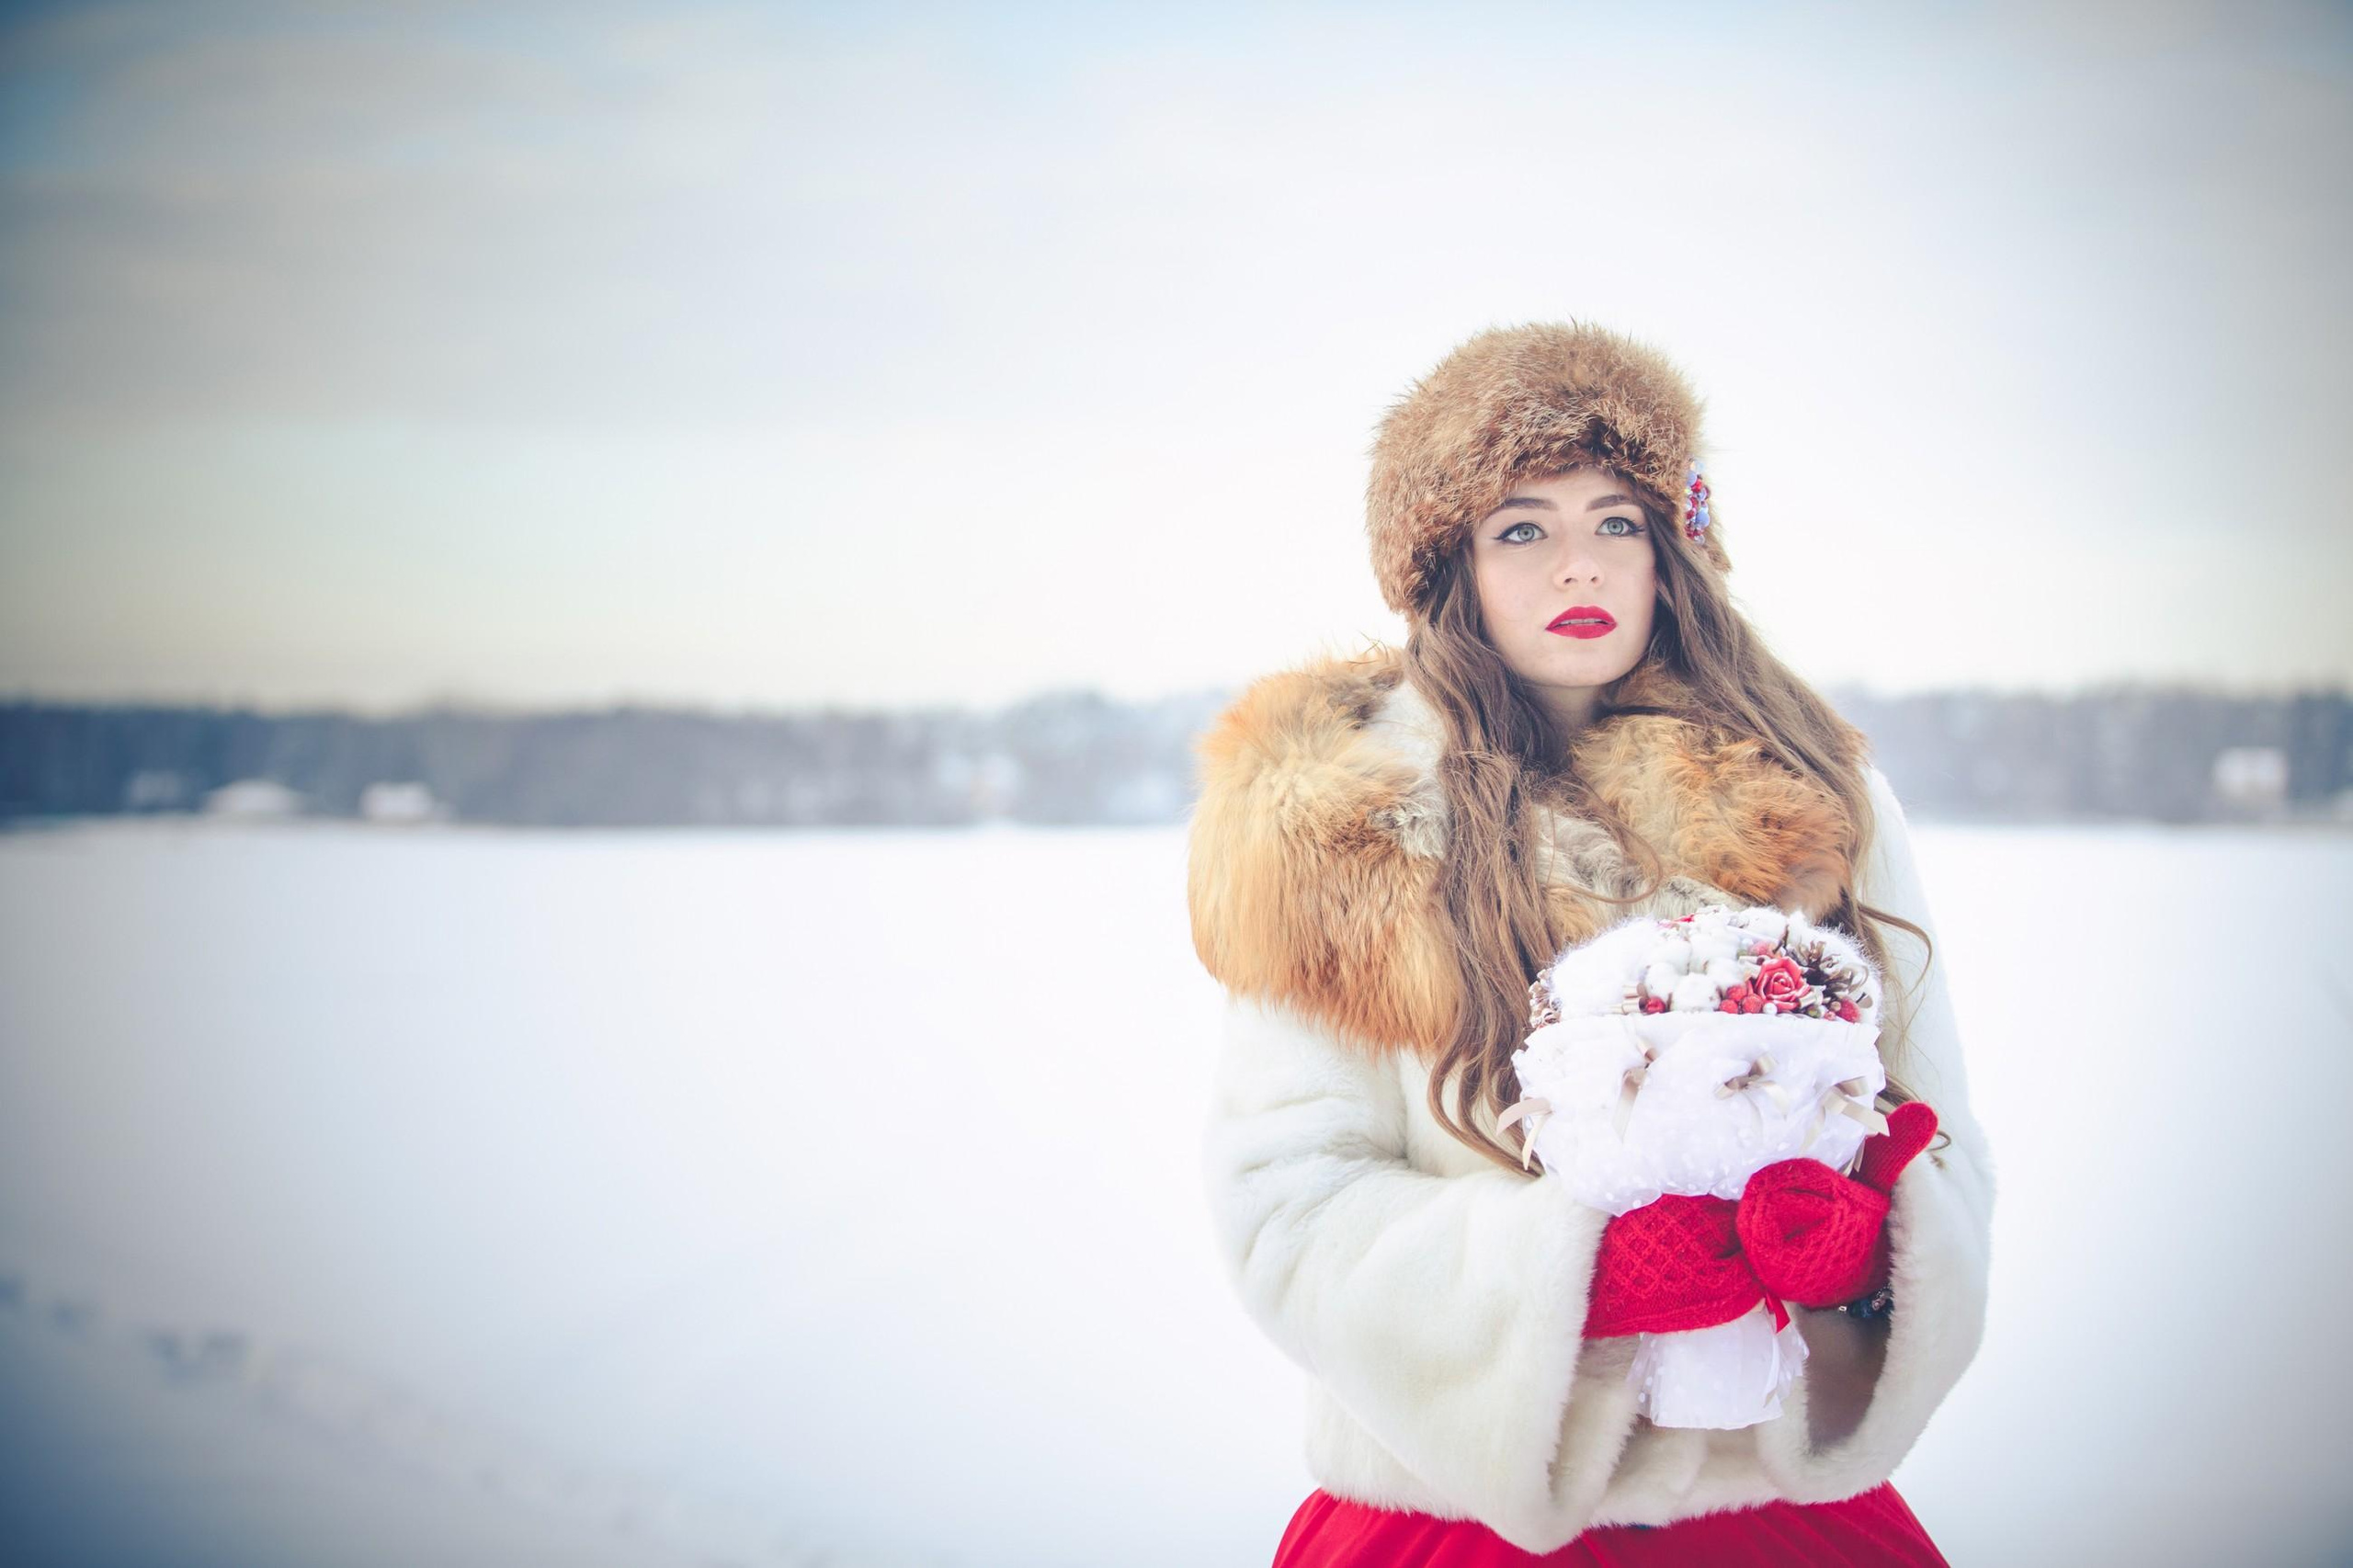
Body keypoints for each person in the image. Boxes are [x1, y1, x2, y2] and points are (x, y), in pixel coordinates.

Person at [1186, 322, 1995, 1565]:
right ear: (1451, 566)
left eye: (1616, 519)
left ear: (1674, 548)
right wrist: (1573, 1281)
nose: (1580, 566)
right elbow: (1285, 1202)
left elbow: (1939, 1138)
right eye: (1523, 527)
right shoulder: (1331, 828)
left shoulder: (1820, 795)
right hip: (1466, 1522)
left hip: (1777, 1518)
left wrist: (1862, 1254)